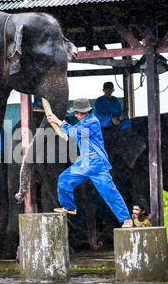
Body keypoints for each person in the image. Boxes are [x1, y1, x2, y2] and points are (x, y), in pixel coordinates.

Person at [46, 98, 133, 228]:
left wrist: (58, 122)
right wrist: (61, 123)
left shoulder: (92, 122)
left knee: (110, 193)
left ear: (85, 112)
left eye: (77, 113)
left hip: (96, 163)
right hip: (84, 163)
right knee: (64, 179)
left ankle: (127, 219)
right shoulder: (83, 122)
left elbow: (73, 133)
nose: (76, 115)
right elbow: (70, 131)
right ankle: (69, 207)